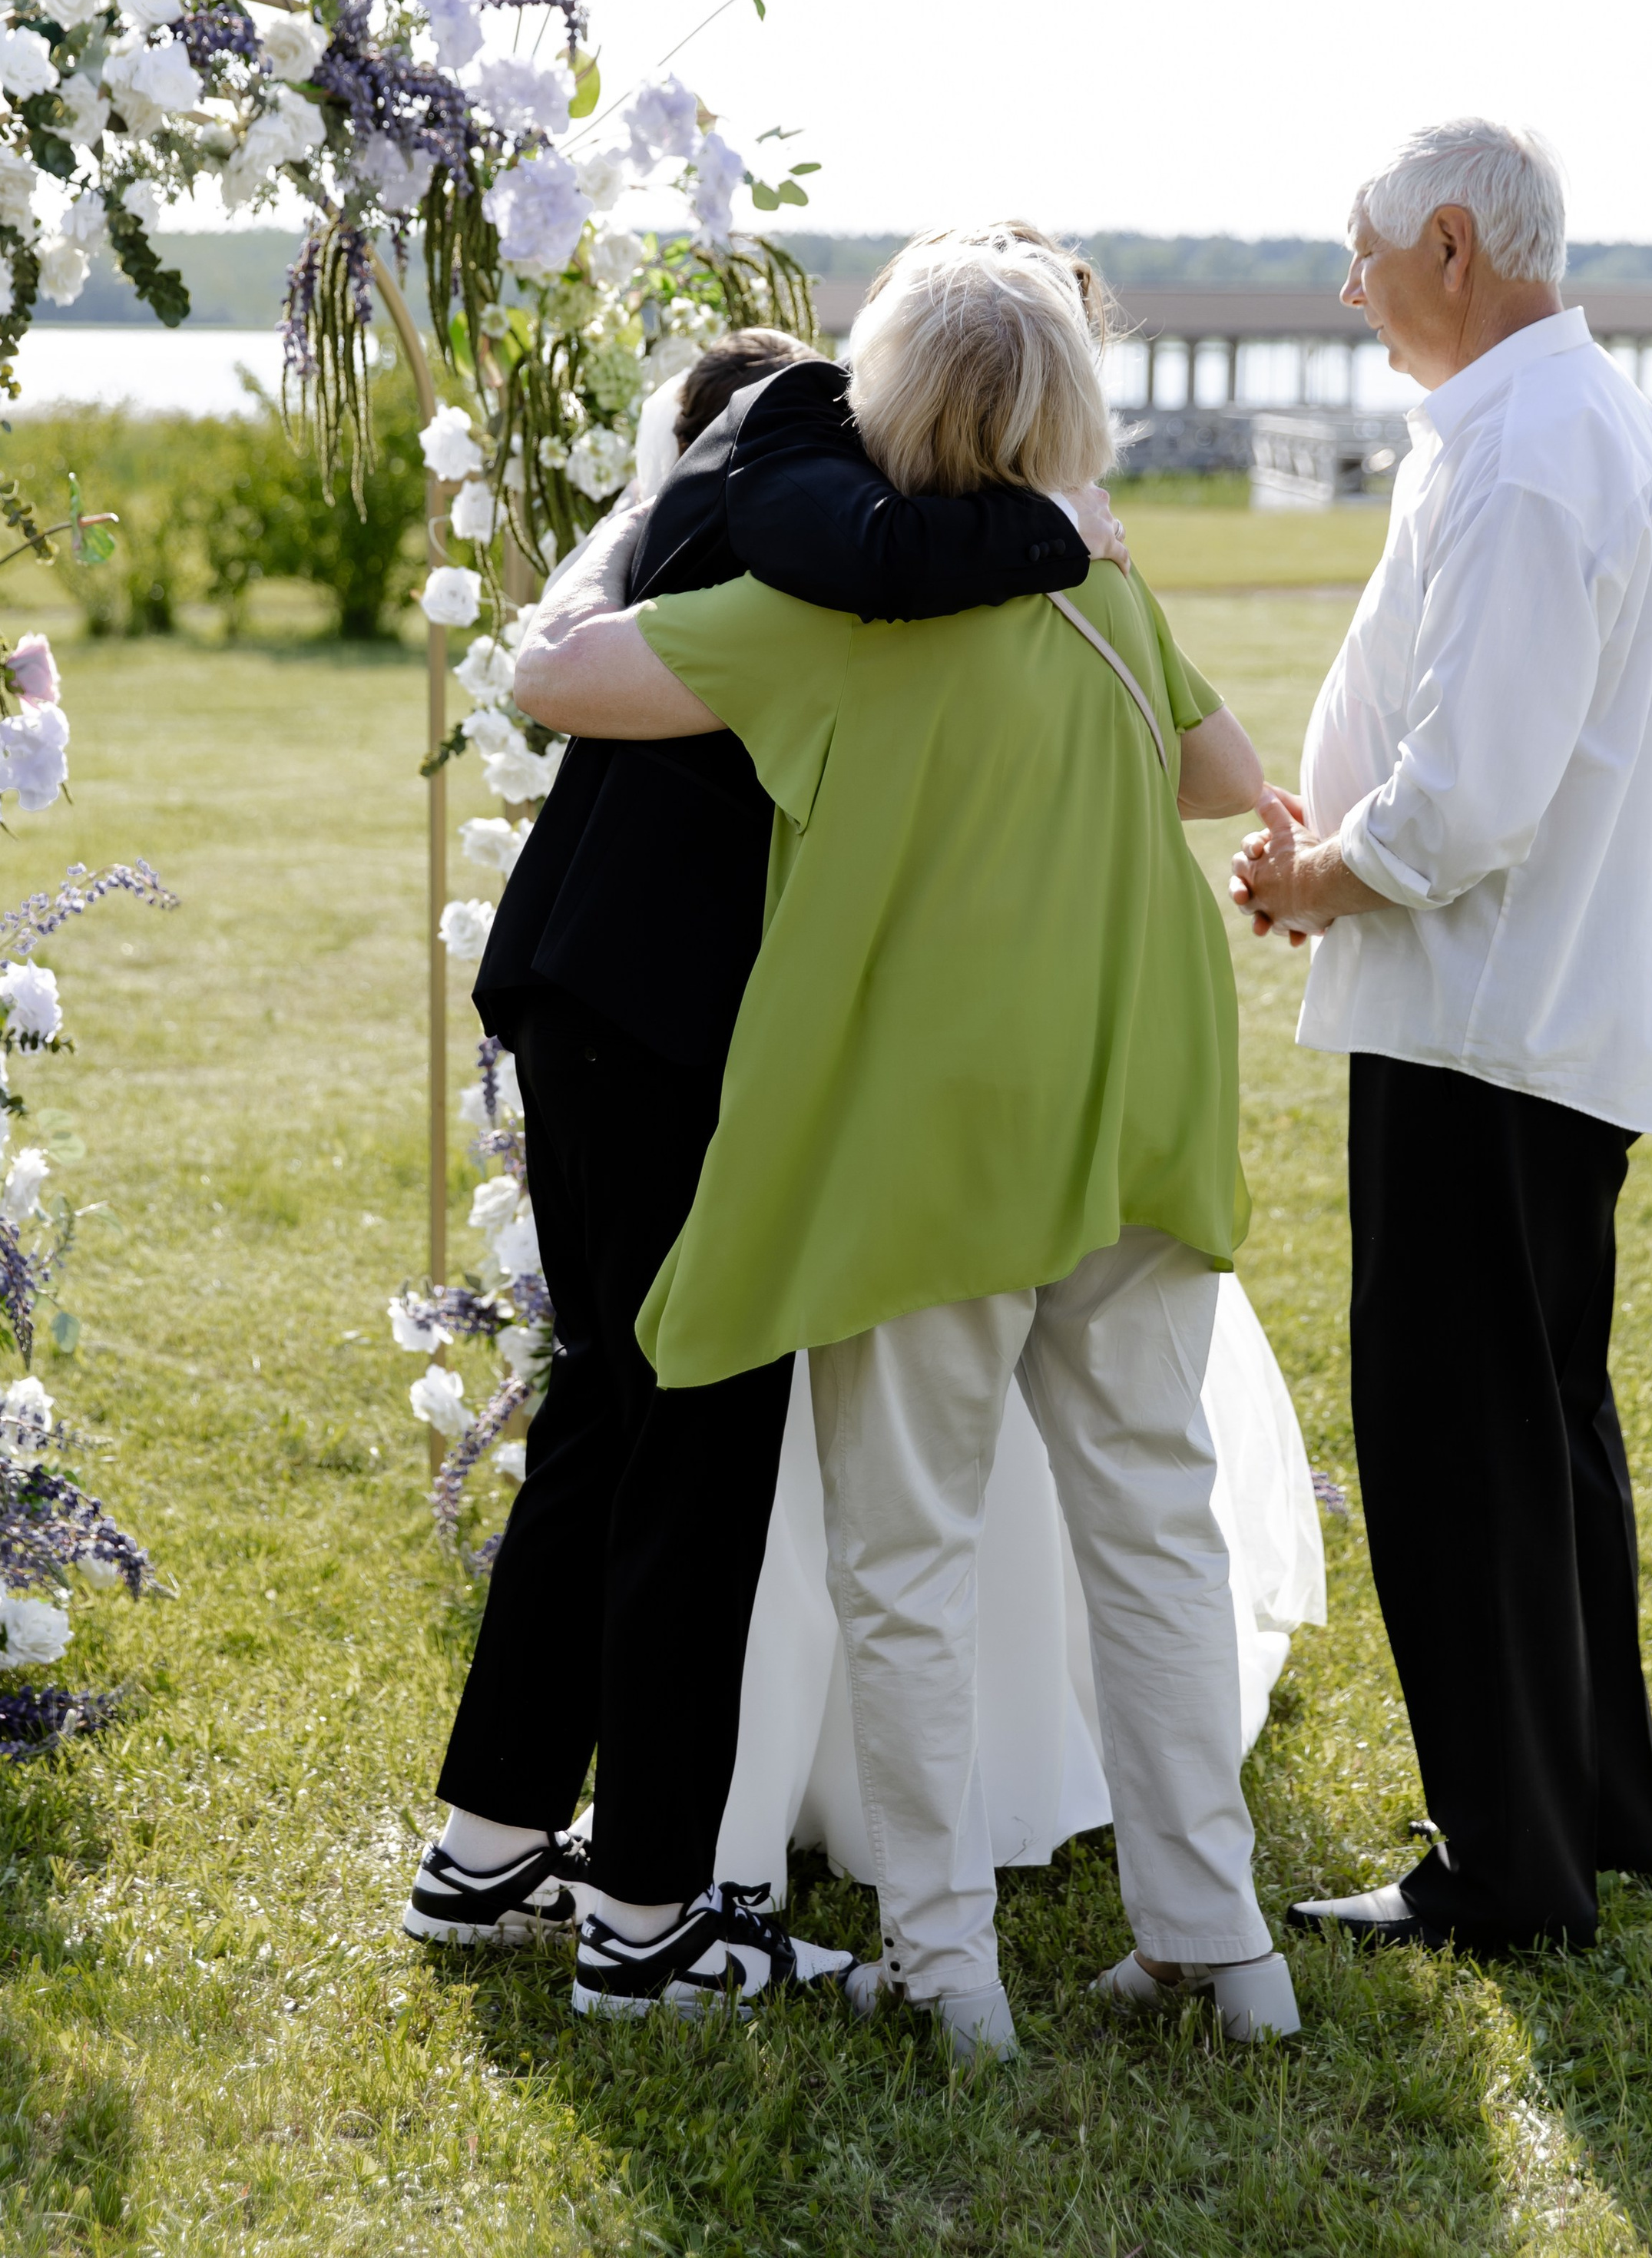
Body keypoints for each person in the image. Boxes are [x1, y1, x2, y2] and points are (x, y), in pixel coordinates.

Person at [527, 227, 1303, 2059]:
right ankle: (1222, 1946)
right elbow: (1227, 771)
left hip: (936, 1152)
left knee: (908, 1561)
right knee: (1156, 1534)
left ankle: (949, 1972)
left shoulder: (820, 627)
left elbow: (557, 681)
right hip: (1133, 1115)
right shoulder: (1102, 597)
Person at [402, 313, 1126, 2012]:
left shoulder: (841, 514)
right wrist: (1062, 531)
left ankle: (486, 1846)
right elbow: (857, 554)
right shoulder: (801, 424)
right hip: (648, 1024)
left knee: (605, 1413)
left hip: (597, 999)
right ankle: (649, 1922)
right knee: (695, 1438)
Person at [1232, 119, 1652, 1955]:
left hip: (1485, 1023)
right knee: (1537, 1420)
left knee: (1457, 1443)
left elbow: (1469, 798)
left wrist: (1319, 879)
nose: (1343, 288)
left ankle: (1505, 1872)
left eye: (1357, 251)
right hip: (1518, 1019)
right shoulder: (1542, 422)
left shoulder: (1527, 454)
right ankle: (1592, 1809)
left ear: (1449, 243)